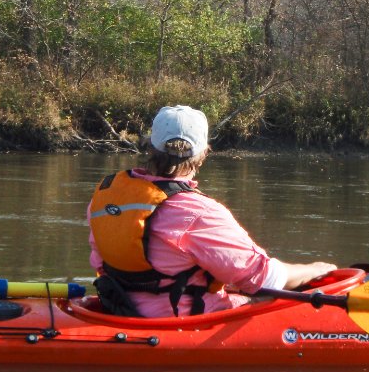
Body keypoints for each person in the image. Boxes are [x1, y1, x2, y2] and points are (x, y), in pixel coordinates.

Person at [87, 104, 336, 318]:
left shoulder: (108, 194)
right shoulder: (198, 212)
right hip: (182, 320)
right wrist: (314, 270)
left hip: (120, 309)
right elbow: (263, 278)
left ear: (150, 146)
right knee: (277, 297)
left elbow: (101, 263)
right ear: (203, 154)